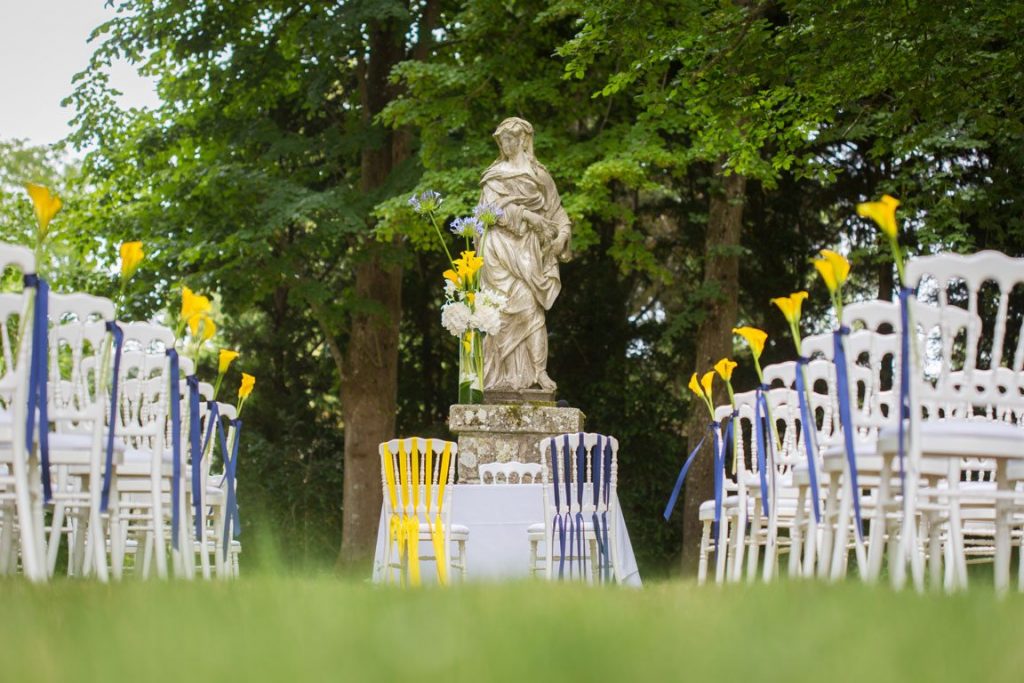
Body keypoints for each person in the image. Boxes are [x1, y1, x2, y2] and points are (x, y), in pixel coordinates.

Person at [477, 117, 571, 393]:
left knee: (531, 311)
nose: (505, 144)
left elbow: (557, 212)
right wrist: (528, 215)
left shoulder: (538, 174)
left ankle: (537, 373)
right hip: (499, 251)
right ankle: (496, 378)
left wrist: (562, 235)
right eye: (502, 140)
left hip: (528, 252)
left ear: (523, 141)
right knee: (498, 314)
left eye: (510, 139)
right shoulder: (493, 176)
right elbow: (487, 213)